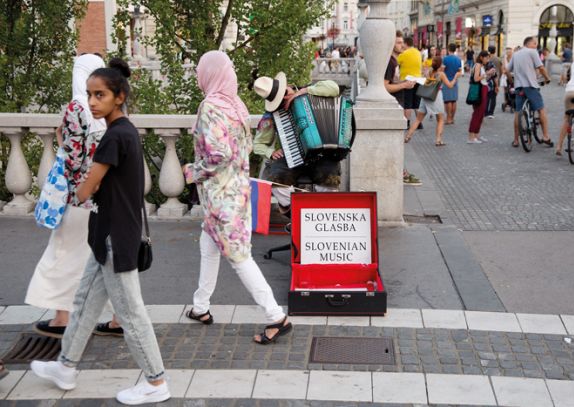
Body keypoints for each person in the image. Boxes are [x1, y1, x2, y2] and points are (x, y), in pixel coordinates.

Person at [30, 58, 170, 405]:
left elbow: (83, 190)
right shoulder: (125, 132)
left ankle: (155, 383)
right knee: (84, 304)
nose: (92, 102)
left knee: (131, 312)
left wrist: (66, 145)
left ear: (119, 97)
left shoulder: (113, 138)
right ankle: (65, 367)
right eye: (90, 94)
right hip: (108, 233)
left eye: (100, 95)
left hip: (113, 238)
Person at [182, 51, 292, 345]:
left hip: (220, 197)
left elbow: (218, 154)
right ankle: (201, 306)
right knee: (208, 245)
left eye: (200, 70)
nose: (197, 75)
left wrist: (193, 171)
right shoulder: (236, 105)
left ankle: (275, 316)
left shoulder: (210, 107)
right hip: (238, 191)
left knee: (240, 258)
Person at [25, 54, 106, 339]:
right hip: (101, 194)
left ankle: (62, 318)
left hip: (78, 195)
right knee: (93, 256)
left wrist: (61, 141)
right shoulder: (105, 106)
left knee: (61, 253)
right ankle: (113, 317)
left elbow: (73, 158)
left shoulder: (77, 107)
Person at [252, 75, 343, 211]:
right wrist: (270, 152)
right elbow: (258, 144)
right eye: (279, 101)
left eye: (285, 93)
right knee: (275, 180)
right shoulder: (271, 116)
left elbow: (334, 88)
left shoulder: (310, 91)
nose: (285, 99)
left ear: (287, 85)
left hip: (322, 154)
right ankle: (298, 214)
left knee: (329, 178)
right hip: (291, 158)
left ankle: (321, 214)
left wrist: (300, 93)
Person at [384, 30, 421, 186]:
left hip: (397, 104)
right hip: (393, 104)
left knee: (397, 143)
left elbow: (392, 83)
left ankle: (402, 171)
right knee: (396, 143)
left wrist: (403, 82)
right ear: (391, 44)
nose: (403, 45)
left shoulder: (395, 61)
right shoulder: (390, 63)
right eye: (399, 42)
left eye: (402, 42)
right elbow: (385, 87)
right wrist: (404, 85)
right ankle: (401, 173)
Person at [507, 36, 553, 148]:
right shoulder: (532, 52)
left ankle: (516, 140)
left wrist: (512, 81)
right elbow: (541, 68)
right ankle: (546, 136)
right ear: (528, 43)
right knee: (541, 109)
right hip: (531, 86)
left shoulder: (516, 54)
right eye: (534, 43)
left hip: (519, 87)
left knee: (518, 112)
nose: (536, 46)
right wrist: (547, 78)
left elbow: (507, 70)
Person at [404, 56, 461, 146]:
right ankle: (438, 140)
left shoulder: (429, 72)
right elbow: (450, 85)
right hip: (435, 97)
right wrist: (455, 77)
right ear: (439, 65)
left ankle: (408, 136)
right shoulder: (441, 74)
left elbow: (424, 79)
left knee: (418, 119)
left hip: (425, 96)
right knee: (440, 119)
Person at [397, 36, 424, 130]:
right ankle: (419, 123)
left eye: (402, 43)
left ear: (405, 43)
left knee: (407, 103)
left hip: (408, 80)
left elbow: (396, 62)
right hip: (418, 80)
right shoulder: (418, 53)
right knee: (417, 103)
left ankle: (407, 123)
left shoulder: (404, 54)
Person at [467, 51, 492, 144]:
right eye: (486, 58)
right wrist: (487, 73)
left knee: (481, 114)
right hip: (480, 90)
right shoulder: (477, 65)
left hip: (483, 89)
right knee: (477, 113)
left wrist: (488, 74)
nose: (487, 60)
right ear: (481, 57)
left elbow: (483, 79)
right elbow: (476, 79)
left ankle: (476, 135)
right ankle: (471, 137)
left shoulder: (480, 66)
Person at [442, 43, 462, 124]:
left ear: (448, 49)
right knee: (454, 100)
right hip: (455, 80)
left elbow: (442, 70)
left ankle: (448, 118)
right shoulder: (458, 59)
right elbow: (460, 71)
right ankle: (452, 118)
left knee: (448, 101)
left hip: (447, 80)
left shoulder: (445, 59)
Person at [485, 45, 502, 119]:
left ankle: (485, 112)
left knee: (487, 96)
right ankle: (491, 112)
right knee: (493, 97)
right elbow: (501, 70)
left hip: (487, 80)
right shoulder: (498, 59)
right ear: (495, 50)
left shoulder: (486, 59)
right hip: (496, 79)